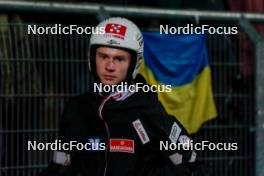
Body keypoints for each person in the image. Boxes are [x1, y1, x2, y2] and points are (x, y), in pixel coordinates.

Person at [40, 17, 204, 176]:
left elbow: (191, 164)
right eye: (103, 57)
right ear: (92, 58)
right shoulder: (76, 108)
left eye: (119, 59)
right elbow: (61, 165)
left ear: (134, 63)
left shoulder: (149, 111)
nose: (110, 66)